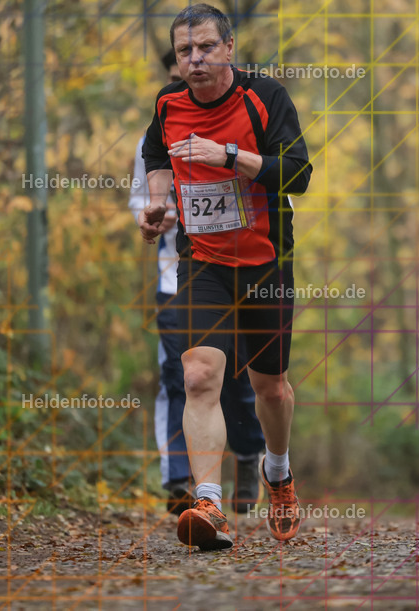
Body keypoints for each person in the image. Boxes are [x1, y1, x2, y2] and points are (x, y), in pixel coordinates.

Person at [139, 3, 312, 551]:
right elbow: (154, 150)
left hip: (265, 262)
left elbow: (300, 173)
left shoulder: (264, 98)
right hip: (204, 262)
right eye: (186, 50)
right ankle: (209, 502)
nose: (195, 59)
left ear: (230, 49)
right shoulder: (168, 104)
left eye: (206, 47)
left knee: (271, 389)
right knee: (197, 377)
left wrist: (229, 155)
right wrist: (160, 204)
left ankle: (278, 476)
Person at [129, 49, 266, 517]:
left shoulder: (240, 126)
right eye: (174, 77)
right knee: (183, 377)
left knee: (238, 381)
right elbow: (139, 202)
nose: (184, 84)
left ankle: (250, 455)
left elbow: (273, 185)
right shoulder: (155, 136)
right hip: (179, 276)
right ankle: (180, 484)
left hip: (243, 274)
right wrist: (156, 215)